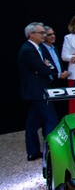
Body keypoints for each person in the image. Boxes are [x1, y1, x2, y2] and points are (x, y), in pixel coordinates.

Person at [19, 22, 58, 161]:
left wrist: (45, 67)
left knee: (32, 122)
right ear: (31, 34)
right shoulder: (28, 50)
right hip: (37, 91)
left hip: (36, 90)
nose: (44, 35)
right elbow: (43, 69)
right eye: (41, 33)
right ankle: (51, 152)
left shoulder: (37, 48)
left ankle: (33, 152)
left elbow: (44, 68)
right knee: (51, 120)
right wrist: (45, 67)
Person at [42, 26, 70, 118]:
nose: (53, 36)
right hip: (49, 84)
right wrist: (58, 75)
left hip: (60, 84)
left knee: (61, 111)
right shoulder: (41, 50)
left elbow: (58, 65)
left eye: (53, 34)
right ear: (43, 36)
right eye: (49, 34)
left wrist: (64, 72)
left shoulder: (54, 48)